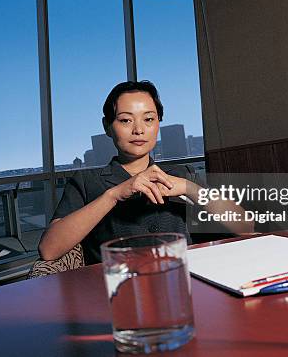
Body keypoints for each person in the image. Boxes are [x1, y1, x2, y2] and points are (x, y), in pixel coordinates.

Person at [38, 80, 252, 264]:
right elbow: (49, 250)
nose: (138, 129)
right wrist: (115, 194)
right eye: (125, 120)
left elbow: (245, 226)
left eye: (148, 119)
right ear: (107, 126)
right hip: (120, 289)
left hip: (185, 282)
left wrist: (190, 188)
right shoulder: (86, 182)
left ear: (158, 123)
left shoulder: (180, 173)